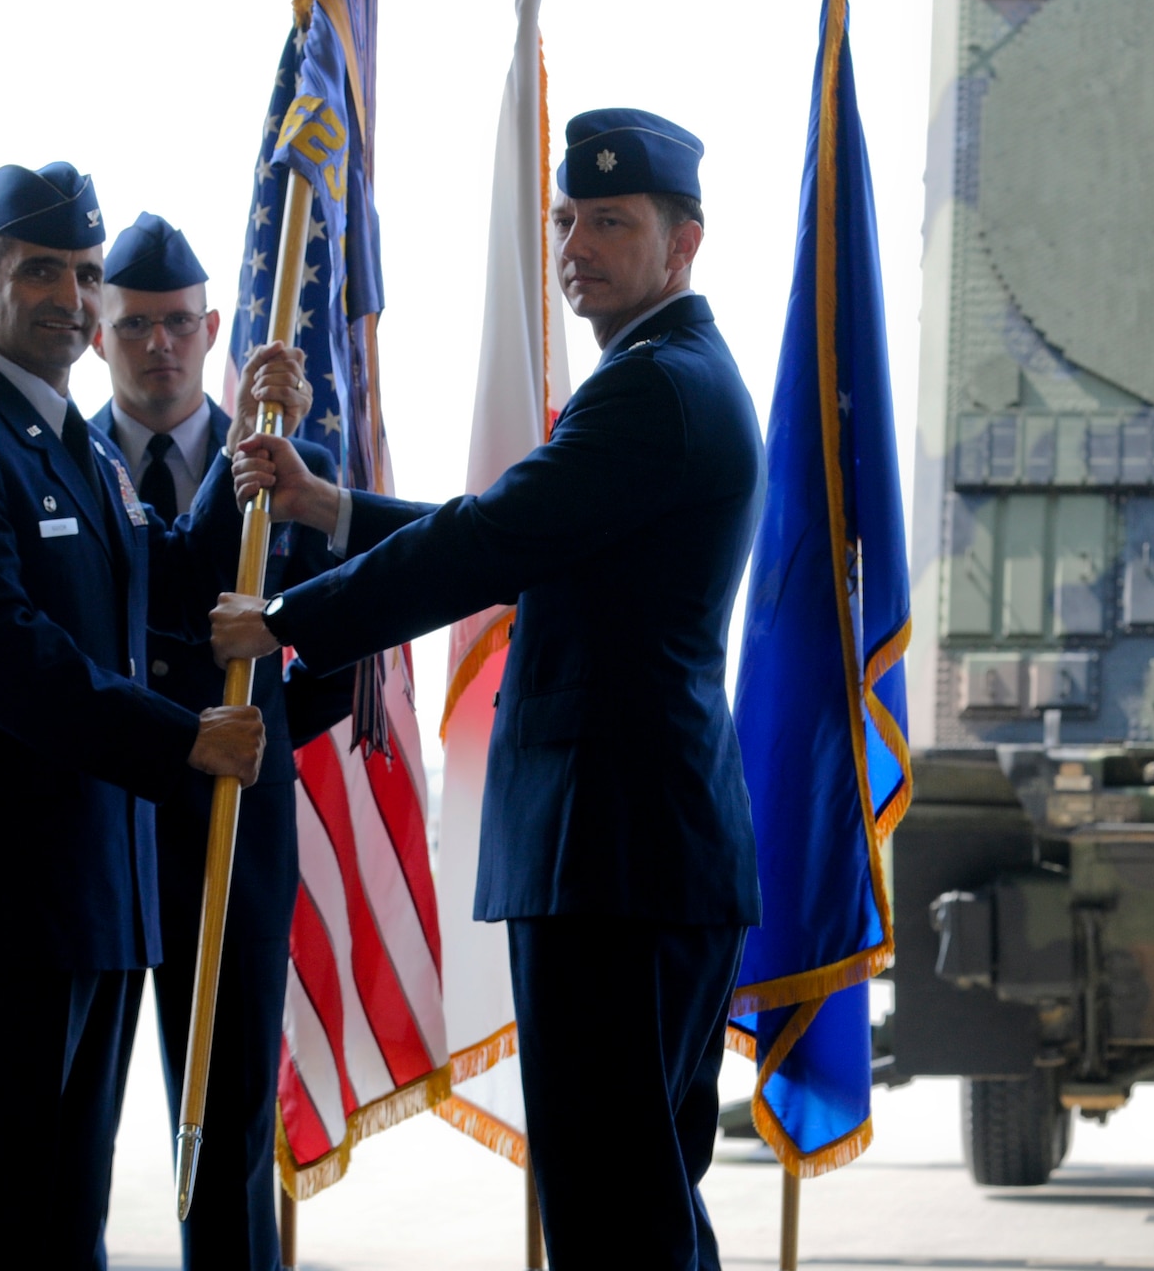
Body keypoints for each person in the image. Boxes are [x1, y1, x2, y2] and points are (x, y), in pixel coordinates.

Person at [209, 108, 763, 1269]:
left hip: (610, 855)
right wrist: (335, 511)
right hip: (636, 850)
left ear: (683, 242)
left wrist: (294, 615)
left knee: (615, 1209)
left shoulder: (653, 387)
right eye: (566, 219)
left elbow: (504, 533)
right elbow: (538, 537)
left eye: (610, 221)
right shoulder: (670, 377)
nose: (575, 244)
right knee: (641, 1199)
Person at [0, 163, 269, 1270]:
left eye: (85, 273)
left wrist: (258, 454)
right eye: (39, 268)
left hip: (97, 895)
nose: (70, 293)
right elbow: (4, 656)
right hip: (2, 902)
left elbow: (164, 578)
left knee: (60, 1229)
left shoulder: (75, 449)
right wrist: (178, 736)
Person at [90, 211, 352, 1271]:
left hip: (237, 824)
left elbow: (338, 649)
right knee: (78, 1118)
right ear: (100, 333)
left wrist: (265, 731)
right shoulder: (63, 463)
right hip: (107, 813)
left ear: (212, 335)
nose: (160, 345)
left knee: (232, 1105)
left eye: (181, 325)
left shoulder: (289, 465)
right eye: (136, 325)